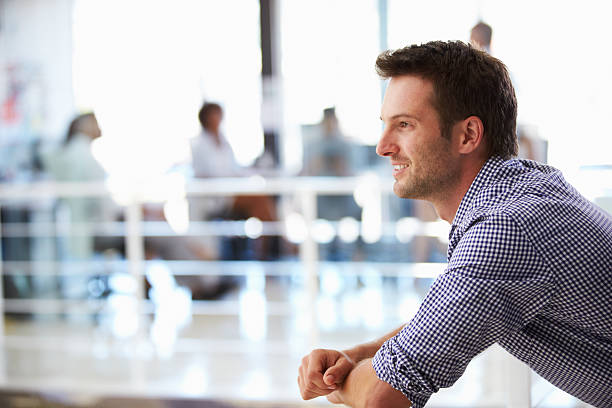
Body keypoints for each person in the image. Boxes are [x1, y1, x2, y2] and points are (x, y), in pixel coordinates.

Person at [297, 41, 612, 408]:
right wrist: (357, 355)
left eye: (404, 125)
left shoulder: (506, 230)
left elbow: (383, 398)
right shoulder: (528, 185)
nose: (382, 146)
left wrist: (339, 382)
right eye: (385, 125)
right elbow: (448, 316)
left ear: (467, 136)